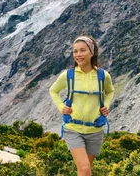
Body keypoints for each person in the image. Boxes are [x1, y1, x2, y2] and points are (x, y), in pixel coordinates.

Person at [49, 36, 114, 176]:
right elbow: (53, 91)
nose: (78, 55)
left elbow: (110, 91)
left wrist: (106, 105)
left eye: (82, 50)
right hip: (73, 129)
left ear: (92, 52)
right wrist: (61, 107)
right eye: (75, 51)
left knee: (84, 170)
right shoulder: (68, 75)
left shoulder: (103, 75)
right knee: (84, 169)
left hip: (95, 130)